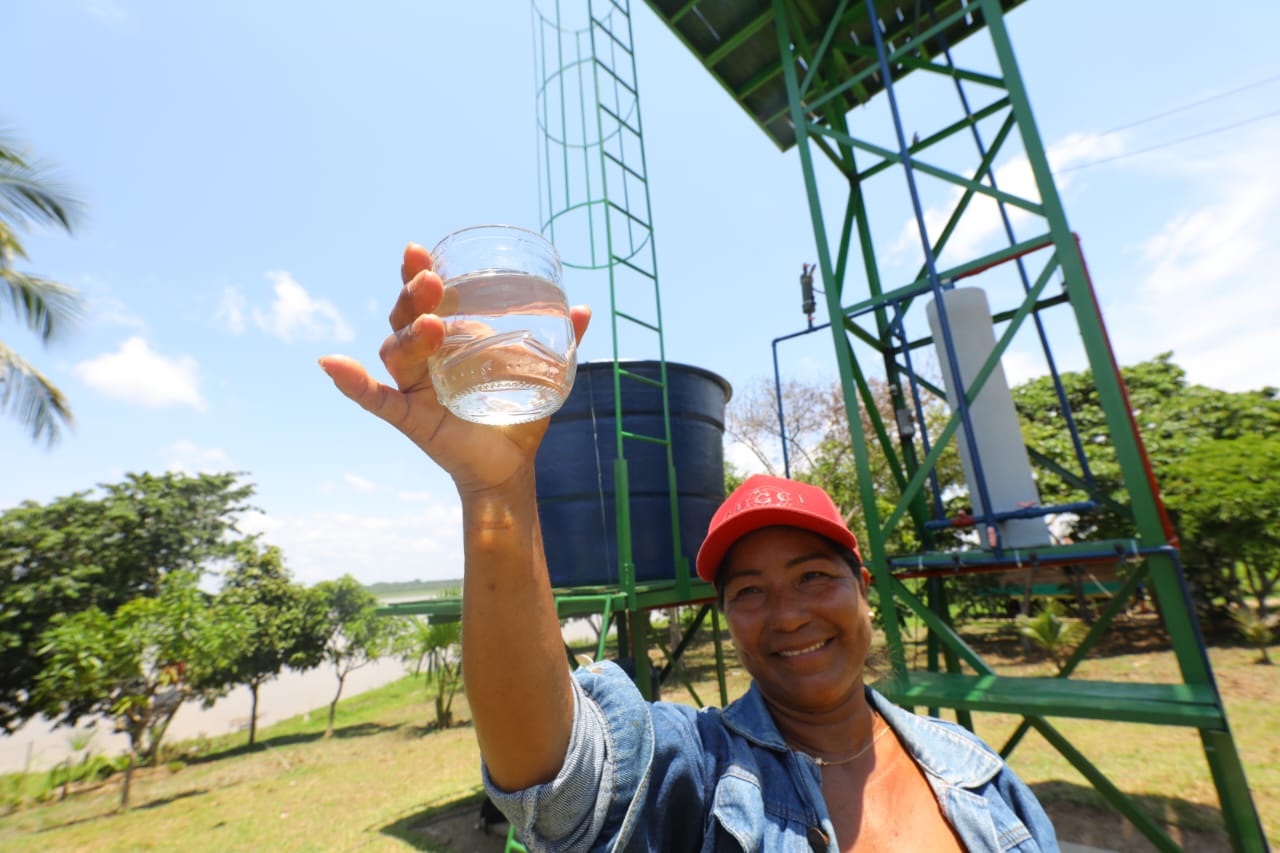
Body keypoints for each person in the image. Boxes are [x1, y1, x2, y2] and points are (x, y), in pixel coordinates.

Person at [320, 243, 1060, 852]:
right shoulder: (698, 770)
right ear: (728, 618)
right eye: (749, 592)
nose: (789, 613)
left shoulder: (985, 783)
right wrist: (499, 492)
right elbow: (553, 779)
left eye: (812, 576)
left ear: (862, 584)